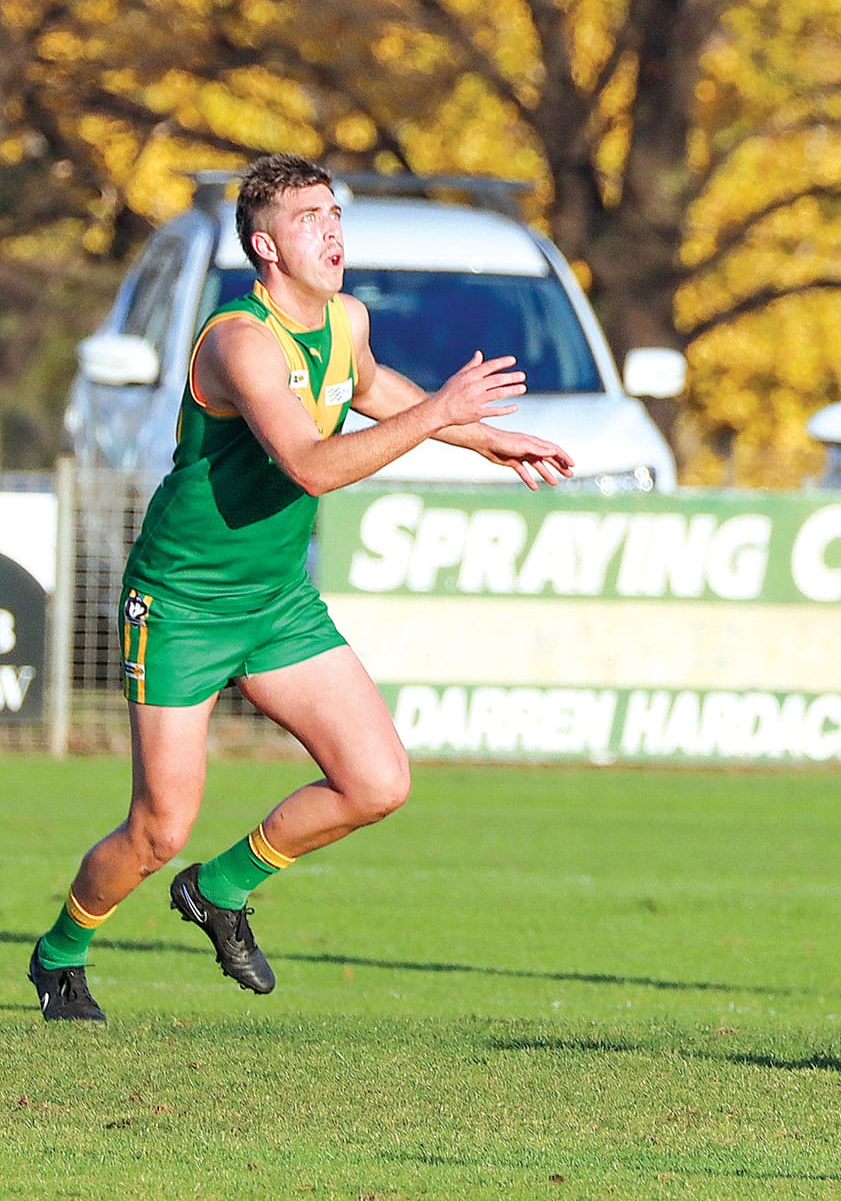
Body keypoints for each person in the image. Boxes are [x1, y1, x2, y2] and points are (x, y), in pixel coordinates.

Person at [28, 154, 573, 1022]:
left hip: (275, 601)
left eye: (335, 215)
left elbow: (363, 386)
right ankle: (60, 954)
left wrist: (481, 439)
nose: (332, 231)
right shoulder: (239, 340)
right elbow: (314, 467)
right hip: (183, 604)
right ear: (265, 246)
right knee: (158, 829)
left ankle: (222, 889)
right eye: (310, 218)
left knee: (377, 781)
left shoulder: (344, 318)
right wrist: (438, 416)